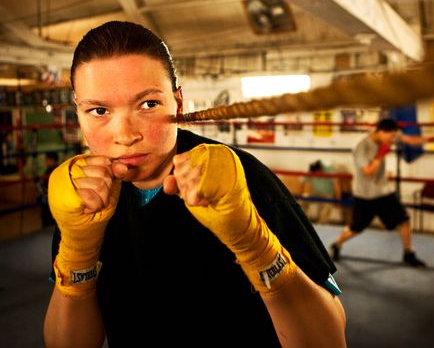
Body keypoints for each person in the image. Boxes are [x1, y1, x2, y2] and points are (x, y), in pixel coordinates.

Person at [43, 21, 346, 347]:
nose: (125, 135)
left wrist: (258, 249)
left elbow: (330, 340)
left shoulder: (245, 180)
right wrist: (77, 255)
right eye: (99, 110)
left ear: (179, 103)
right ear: (79, 112)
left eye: (148, 104)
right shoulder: (84, 195)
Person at [329, 118, 434, 267]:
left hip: (383, 192)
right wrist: (380, 154)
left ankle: (409, 253)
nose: (393, 139)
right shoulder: (361, 146)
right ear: (381, 132)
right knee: (356, 228)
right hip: (365, 195)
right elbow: (368, 171)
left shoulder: (389, 135)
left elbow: (410, 139)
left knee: (404, 220)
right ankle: (336, 245)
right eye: (391, 136)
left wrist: (430, 139)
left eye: (394, 136)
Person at [302, 160, 342, 224]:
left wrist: (338, 199)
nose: (316, 175)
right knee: (304, 199)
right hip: (314, 192)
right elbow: (304, 181)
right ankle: (301, 221)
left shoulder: (329, 169)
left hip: (327, 194)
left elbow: (336, 185)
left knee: (327, 205)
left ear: (321, 168)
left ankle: (322, 224)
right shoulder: (312, 169)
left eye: (317, 173)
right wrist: (302, 193)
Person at [37, 151, 59, 229]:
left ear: (51, 160)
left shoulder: (53, 172)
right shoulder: (51, 170)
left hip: (50, 201)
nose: (45, 161)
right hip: (49, 201)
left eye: (47, 159)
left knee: (48, 220)